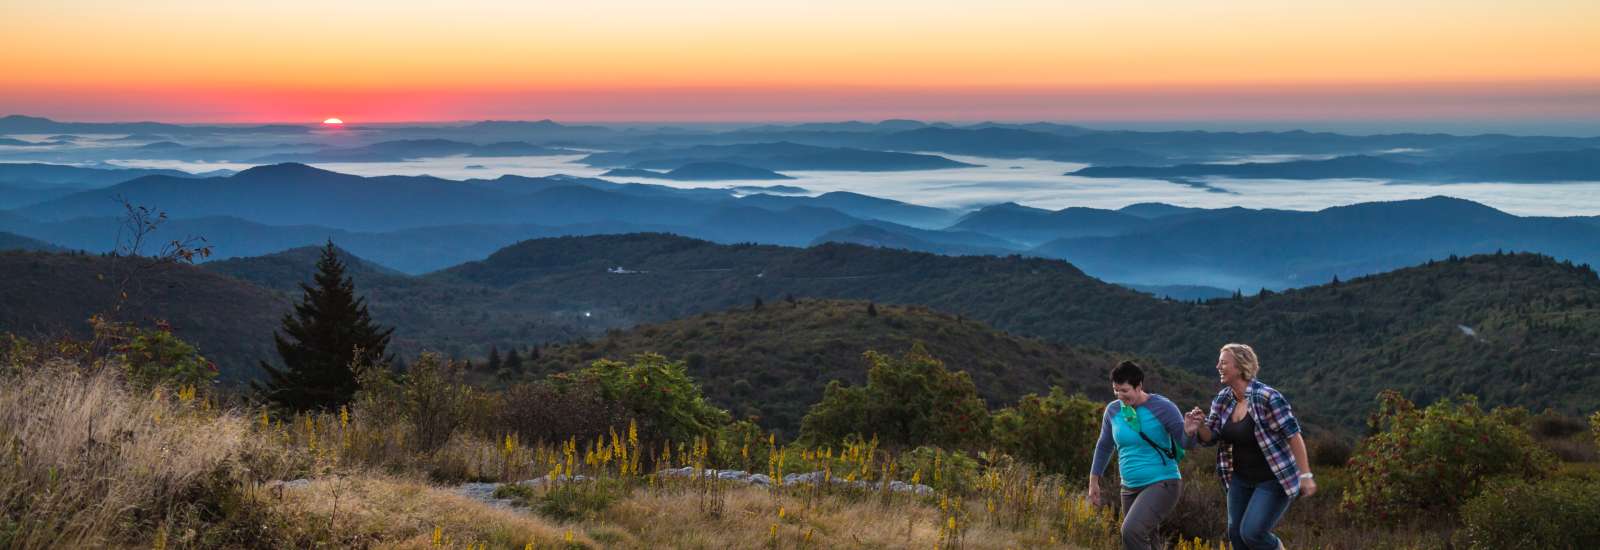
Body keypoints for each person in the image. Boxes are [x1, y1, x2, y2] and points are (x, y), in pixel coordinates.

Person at [1184, 343, 1316, 550]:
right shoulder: (1223, 398)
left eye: (1223, 362)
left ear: (1240, 367)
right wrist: (1199, 426)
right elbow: (1211, 437)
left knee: (1252, 533)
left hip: (1273, 479)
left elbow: (1294, 436)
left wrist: (1305, 475)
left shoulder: (1267, 398)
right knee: (1236, 535)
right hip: (1239, 479)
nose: (1218, 366)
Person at [1089, 360, 1194, 550]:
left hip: (1162, 482)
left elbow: (1186, 443)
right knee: (1148, 541)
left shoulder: (1163, 407)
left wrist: (1189, 432)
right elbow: (1104, 446)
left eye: (1125, 390)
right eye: (1116, 390)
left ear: (1139, 387)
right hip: (1128, 488)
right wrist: (1094, 480)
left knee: (1131, 531)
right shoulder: (1113, 410)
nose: (1120, 395)